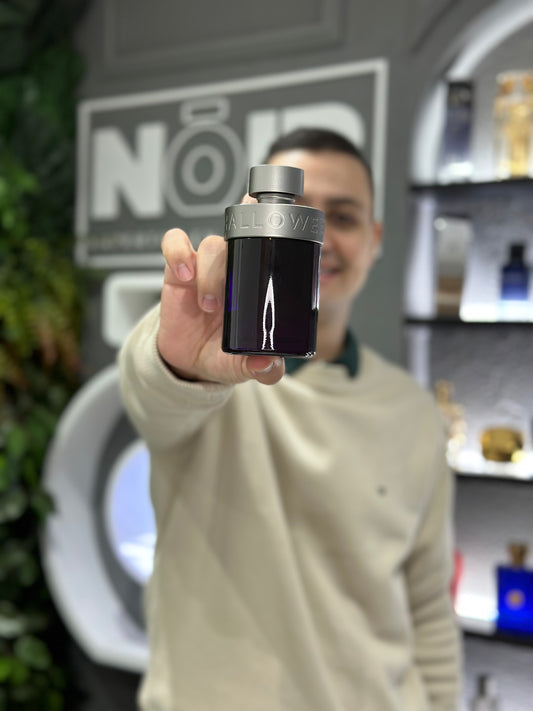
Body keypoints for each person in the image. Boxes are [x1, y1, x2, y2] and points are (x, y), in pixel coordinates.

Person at [118, 127, 462, 711]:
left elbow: (427, 605)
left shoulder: (413, 411)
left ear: (375, 239)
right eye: (293, 213)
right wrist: (178, 359)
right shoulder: (211, 377)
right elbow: (151, 393)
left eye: (343, 217)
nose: (316, 236)